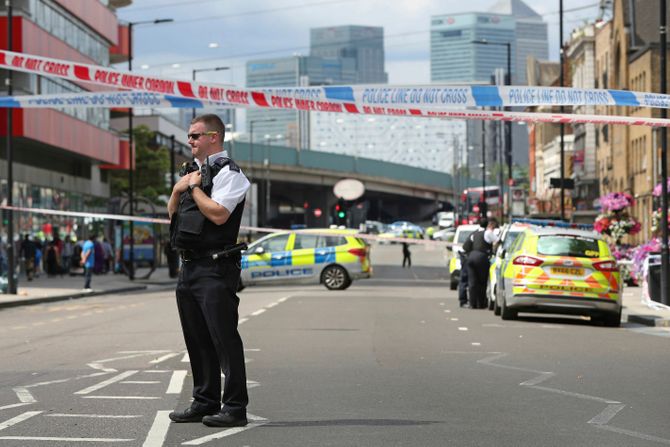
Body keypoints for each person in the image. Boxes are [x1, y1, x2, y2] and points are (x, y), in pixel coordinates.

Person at [167, 114, 250, 428]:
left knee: (223, 339)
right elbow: (173, 216)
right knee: (197, 339)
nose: (190, 141)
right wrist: (178, 191)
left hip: (215, 267)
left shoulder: (230, 174)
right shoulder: (193, 174)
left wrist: (195, 189)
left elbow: (218, 214)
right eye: (190, 136)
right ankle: (204, 401)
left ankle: (235, 408)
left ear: (214, 136)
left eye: (195, 135)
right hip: (189, 267)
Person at [463, 218, 499, 309]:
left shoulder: (474, 234)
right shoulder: (488, 233)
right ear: (487, 225)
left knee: (472, 282)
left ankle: (472, 303)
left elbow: (466, 246)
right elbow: (498, 240)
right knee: (482, 282)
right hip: (482, 258)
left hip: (471, 257)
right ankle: (481, 303)